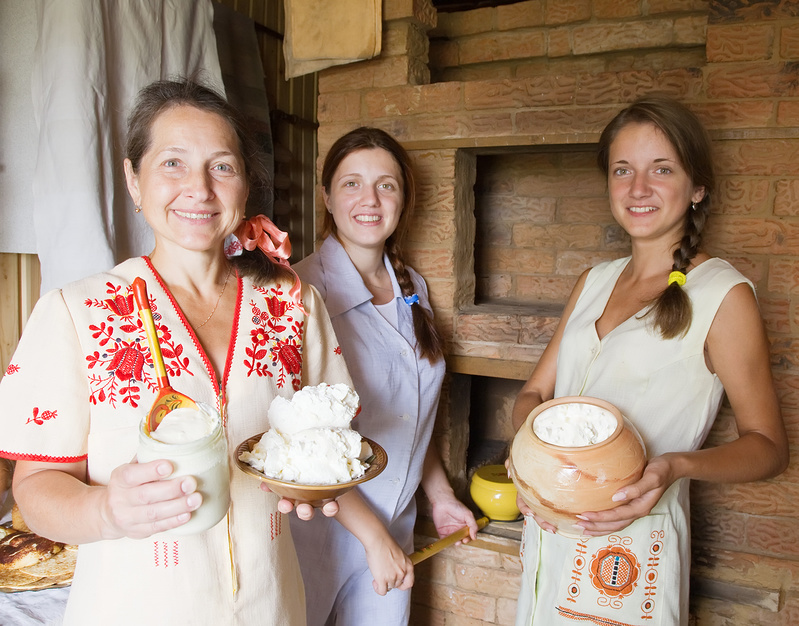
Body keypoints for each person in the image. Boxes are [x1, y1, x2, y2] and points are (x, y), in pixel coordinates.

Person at [0, 79, 387, 625]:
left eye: (222, 167)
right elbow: (35, 489)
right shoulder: (77, 312)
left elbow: (326, 442)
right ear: (135, 181)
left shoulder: (292, 303)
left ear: (245, 183)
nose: (200, 189)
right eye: (173, 164)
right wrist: (106, 509)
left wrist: (317, 482)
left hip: (272, 607)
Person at [511, 95, 789, 625]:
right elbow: (533, 395)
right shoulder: (593, 282)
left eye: (661, 169)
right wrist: (530, 464)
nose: (638, 188)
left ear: (697, 187)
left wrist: (674, 467)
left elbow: (770, 447)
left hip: (635, 550)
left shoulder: (723, 295)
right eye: (623, 170)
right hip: (550, 532)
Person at [290, 127, 479, 625]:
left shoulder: (412, 285)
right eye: (351, 184)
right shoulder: (298, 291)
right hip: (322, 532)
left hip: (392, 527)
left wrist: (439, 497)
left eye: (386, 185)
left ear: (403, 199)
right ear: (327, 197)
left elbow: (411, 410)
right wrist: (372, 537)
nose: (369, 200)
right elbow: (296, 443)